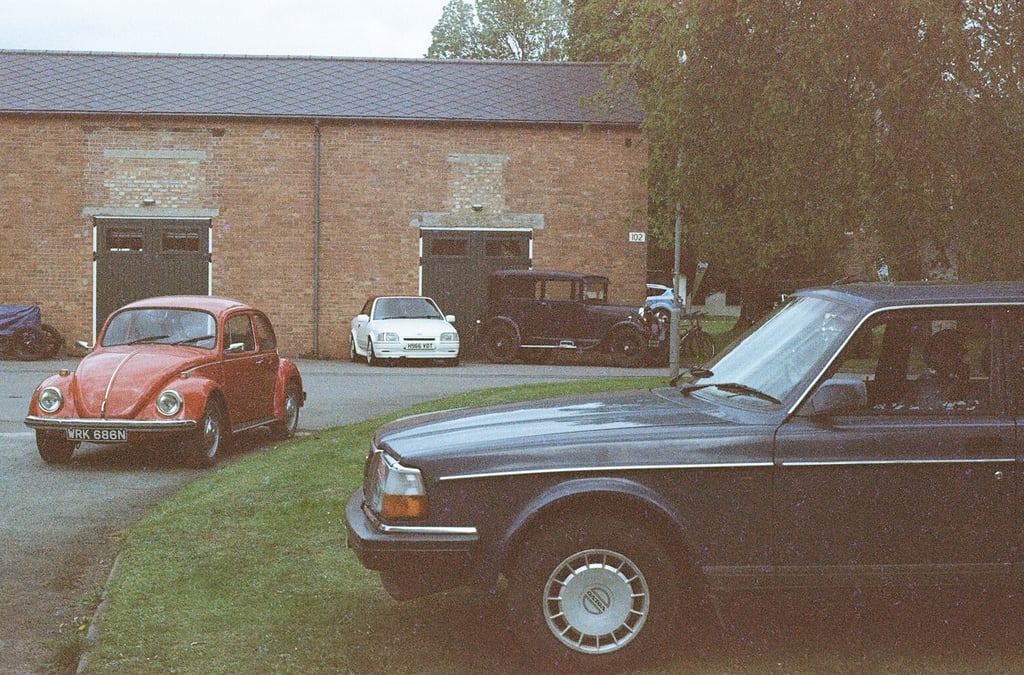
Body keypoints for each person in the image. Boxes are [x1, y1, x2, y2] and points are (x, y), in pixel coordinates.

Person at [911, 328, 969, 407]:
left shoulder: (957, 380)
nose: (962, 360)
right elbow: (941, 406)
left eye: (962, 353)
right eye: (955, 352)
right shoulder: (927, 384)